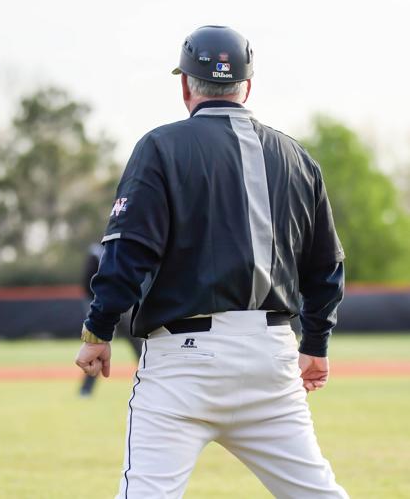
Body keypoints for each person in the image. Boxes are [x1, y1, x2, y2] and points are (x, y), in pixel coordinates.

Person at [75, 25, 348, 498]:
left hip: (184, 363)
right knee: (317, 493)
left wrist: (99, 330)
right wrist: (317, 343)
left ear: (185, 85)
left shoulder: (160, 146)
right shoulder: (298, 157)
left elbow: (128, 253)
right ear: (248, 85)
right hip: (271, 355)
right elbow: (326, 268)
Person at [79, 243, 141, 396]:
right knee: (96, 349)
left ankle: (149, 380)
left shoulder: (119, 248)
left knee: (138, 346)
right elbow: (87, 282)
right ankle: (86, 391)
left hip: (122, 307)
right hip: (101, 306)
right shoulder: (97, 251)